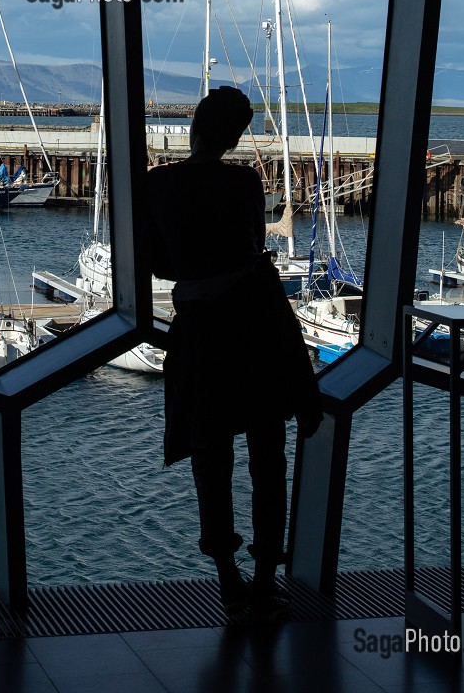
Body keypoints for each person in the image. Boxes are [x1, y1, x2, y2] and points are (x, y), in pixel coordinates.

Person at [147, 85, 323, 624]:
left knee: (212, 462)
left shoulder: (161, 186)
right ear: (235, 135)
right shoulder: (246, 182)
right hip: (257, 329)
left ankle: (229, 582)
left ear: (198, 125)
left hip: (201, 337)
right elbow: (250, 247)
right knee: (268, 462)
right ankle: (267, 578)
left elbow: (160, 265)